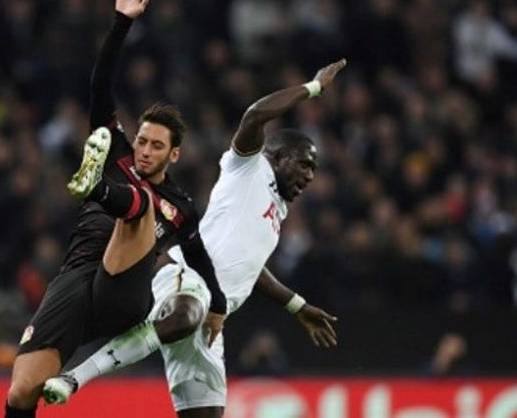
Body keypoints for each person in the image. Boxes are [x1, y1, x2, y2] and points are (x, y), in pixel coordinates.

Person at [43, 59, 347, 417]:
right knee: (183, 315)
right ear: (278, 156)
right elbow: (254, 114)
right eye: (305, 164)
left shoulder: (277, 211)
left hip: (213, 318)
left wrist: (298, 306)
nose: (311, 175)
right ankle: (74, 378)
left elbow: (250, 269)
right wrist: (313, 88)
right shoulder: (249, 167)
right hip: (187, 278)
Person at [4, 0, 226, 418]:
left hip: (125, 292)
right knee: (22, 390)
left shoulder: (180, 205)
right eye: (141, 140)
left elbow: (198, 255)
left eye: (156, 145)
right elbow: (100, 85)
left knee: (141, 205)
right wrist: (121, 22)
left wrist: (217, 305)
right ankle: (102, 188)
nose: (144, 150)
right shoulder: (116, 150)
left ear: (175, 154)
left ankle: (97, 188)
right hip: (76, 277)